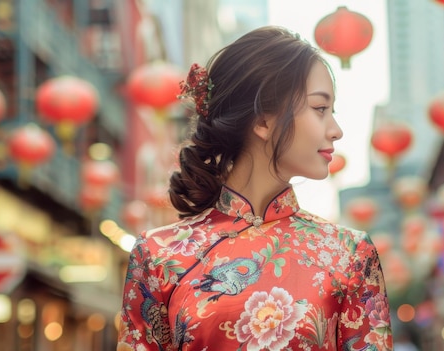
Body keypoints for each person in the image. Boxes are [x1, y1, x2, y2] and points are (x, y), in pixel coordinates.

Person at [117, 25, 393, 351]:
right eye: (320, 109)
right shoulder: (158, 256)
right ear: (262, 121)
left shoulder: (349, 254)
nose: (336, 130)